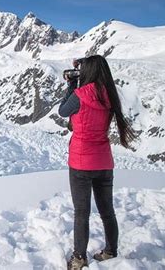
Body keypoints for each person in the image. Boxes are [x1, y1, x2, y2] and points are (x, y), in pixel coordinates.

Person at [58, 55, 135, 270]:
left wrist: (72, 84)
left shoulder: (80, 95)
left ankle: (79, 258)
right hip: (104, 161)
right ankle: (111, 250)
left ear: (87, 72)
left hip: (81, 162)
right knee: (107, 211)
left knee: (81, 213)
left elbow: (63, 111)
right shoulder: (110, 95)